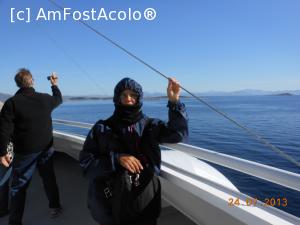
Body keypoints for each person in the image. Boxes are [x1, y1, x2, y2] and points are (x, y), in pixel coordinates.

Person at [80, 77, 188, 225]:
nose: (128, 99)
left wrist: (174, 102)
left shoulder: (151, 126)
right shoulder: (102, 128)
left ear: (139, 98)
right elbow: (86, 164)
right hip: (110, 203)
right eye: (123, 95)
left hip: (143, 200)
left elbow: (178, 134)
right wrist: (116, 159)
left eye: (133, 95)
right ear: (117, 98)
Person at [0, 68, 63, 225]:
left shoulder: (11, 103)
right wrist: (54, 84)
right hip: (46, 149)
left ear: (17, 84)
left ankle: (15, 222)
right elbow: (59, 98)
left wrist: (2, 153)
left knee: (19, 187)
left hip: (24, 152)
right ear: (32, 81)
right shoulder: (45, 99)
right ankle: (55, 207)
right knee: (48, 179)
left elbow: (4, 131)